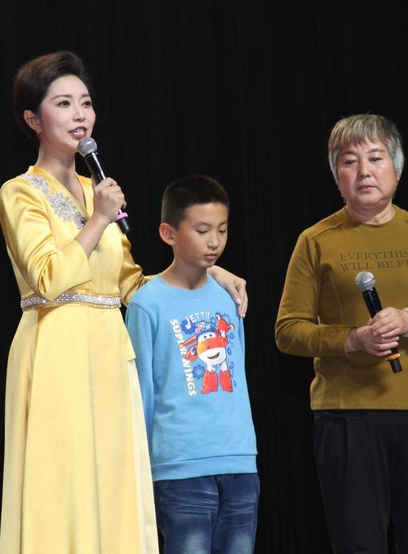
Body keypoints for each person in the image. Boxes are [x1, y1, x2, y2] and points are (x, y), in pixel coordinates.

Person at [0, 51, 248, 554]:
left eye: (85, 103)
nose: (80, 115)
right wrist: (98, 219)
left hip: (111, 352)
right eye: (63, 104)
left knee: (114, 483)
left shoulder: (99, 189)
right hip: (56, 348)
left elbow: (131, 285)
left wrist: (204, 269)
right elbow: (48, 276)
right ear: (33, 119)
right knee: (64, 483)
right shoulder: (20, 192)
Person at [274, 113, 408, 554]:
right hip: (349, 416)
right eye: (349, 161)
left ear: (397, 169)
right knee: (358, 545)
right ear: (337, 176)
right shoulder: (316, 240)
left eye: (375, 158)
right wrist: (353, 340)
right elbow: (288, 330)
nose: (364, 171)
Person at [125, 174, 260, 554]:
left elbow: (237, 377)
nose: (214, 241)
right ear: (168, 233)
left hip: (239, 460)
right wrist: (142, 466)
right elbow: (142, 391)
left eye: (222, 229)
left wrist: (245, 448)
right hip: (179, 465)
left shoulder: (229, 296)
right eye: (202, 230)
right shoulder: (146, 304)